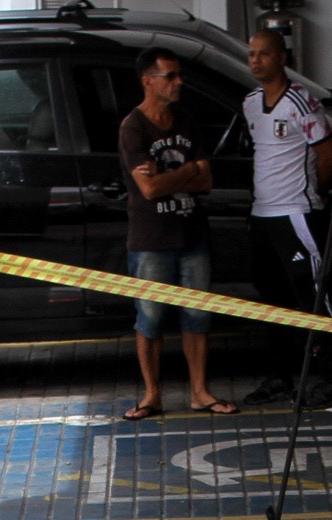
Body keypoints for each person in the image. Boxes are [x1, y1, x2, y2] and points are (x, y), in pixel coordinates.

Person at [120, 47, 235, 420]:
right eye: (170, 76)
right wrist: (187, 172)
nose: (178, 82)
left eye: (177, 75)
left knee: (197, 317)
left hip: (192, 235)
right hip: (151, 241)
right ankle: (152, 394)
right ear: (148, 81)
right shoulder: (133, 128)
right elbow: (150, 190)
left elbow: (207, 179)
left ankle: (200, 392)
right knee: (150, 319)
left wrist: (173, 176)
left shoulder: (186, 121)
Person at [238, 28, 332, 408]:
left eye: (263, 53)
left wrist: (315, 194)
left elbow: (326, 155)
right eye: (251, 54)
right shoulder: (249, 103)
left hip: (296, 213)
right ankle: (281, 377)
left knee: (312, 296)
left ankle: (330, 377)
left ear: (281, 57)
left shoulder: (301, 103)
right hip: (262, 215)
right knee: (271, 299)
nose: (256, 60)